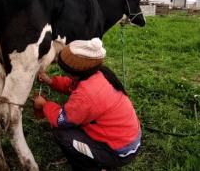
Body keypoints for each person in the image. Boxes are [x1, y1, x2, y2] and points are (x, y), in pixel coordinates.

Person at [33, 38, 141, 171]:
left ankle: (93, 167)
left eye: (67, 71)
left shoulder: (86, 95)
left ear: (76, 73)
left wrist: (45, 105)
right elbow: (72, 85)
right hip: (127, 140)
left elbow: (62, 120)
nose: (65, 73)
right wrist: (51, 81)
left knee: (61, 133)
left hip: (119, 152)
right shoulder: (99, 73)